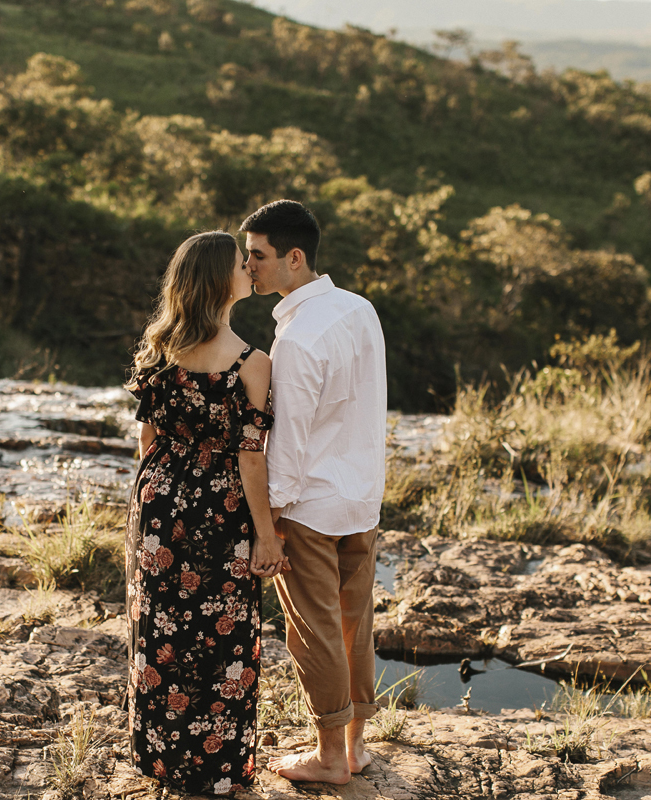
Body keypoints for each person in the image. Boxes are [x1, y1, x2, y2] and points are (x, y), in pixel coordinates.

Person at [124, 230, 288, 795]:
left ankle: (162, 757)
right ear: (221, 280)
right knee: (223, 634)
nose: (249, 268)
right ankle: (214, 766)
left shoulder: (162, 348)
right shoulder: (251, 362)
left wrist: (164, 493)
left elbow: (148, 438)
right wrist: (267, 537)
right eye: (241, 264)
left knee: (159, 625)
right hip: (221, 508)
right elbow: (250, 460)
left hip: (160, 499)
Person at [240, 200, 387, 784]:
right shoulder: (360, 309)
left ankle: (329, 760)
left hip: (312, 507)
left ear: (294, 258)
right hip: (361, 499)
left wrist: (267, 524)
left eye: (258, 256)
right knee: (355, 623)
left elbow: (290, 443)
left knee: (316, 632)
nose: (248, 266)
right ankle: (353, 747)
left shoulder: (297, 339)